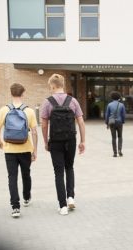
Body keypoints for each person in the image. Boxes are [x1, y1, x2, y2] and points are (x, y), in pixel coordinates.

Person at [41, 74, 85, 216]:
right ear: (63, 85)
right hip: (70, 139)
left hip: (55, 141)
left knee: (58, 172)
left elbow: (44, 124)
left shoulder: (47, 102)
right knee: (69, 167)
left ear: (53, 86)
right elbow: (81, 122)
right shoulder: (73, 101)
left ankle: (63, 206)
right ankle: (70, 197)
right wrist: (82, 141)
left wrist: (45, 141)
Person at [0, 83, 38, 218]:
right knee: (26, 174)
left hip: (9, 150)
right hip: (25, 148)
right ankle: (26, 197)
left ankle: (15, 207)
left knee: (12, 177)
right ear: (23, 94)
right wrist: (34, 150)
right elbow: (35, 132)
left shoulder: (4, 110)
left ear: (11, 93)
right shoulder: (29, 111)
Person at [105, 91, 126, 157]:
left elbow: (107, 114)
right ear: (119, 97)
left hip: (112, 122)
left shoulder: (109, 105)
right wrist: (123, 121)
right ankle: (120, 150)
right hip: (119, 122)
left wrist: (107, 122)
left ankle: (115, 153)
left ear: (112, 97)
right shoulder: (122, 105)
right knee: (120, 136)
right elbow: (123, 115)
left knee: (113, 137)